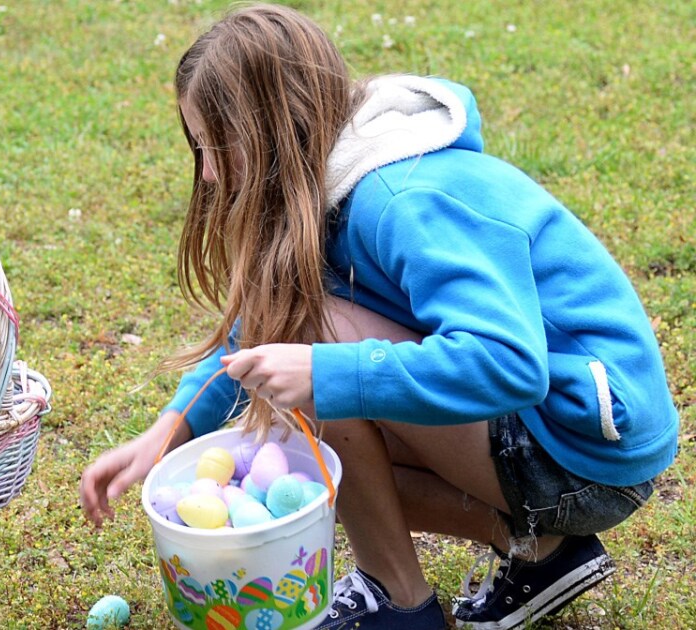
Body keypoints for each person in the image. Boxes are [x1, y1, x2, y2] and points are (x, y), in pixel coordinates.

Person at [79, 4, 678, 629]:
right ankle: (539, 552)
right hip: (554, 436)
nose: (206, 171)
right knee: (289, 446)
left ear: (271, 133)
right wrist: (169, 432)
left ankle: (398, 604)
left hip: (583, 450)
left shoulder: (400, 199)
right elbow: (255, 331)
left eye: (216, 146)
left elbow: (510, 363)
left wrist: (328, 372)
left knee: (309, 354)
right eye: (198, 147)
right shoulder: (333, 182)